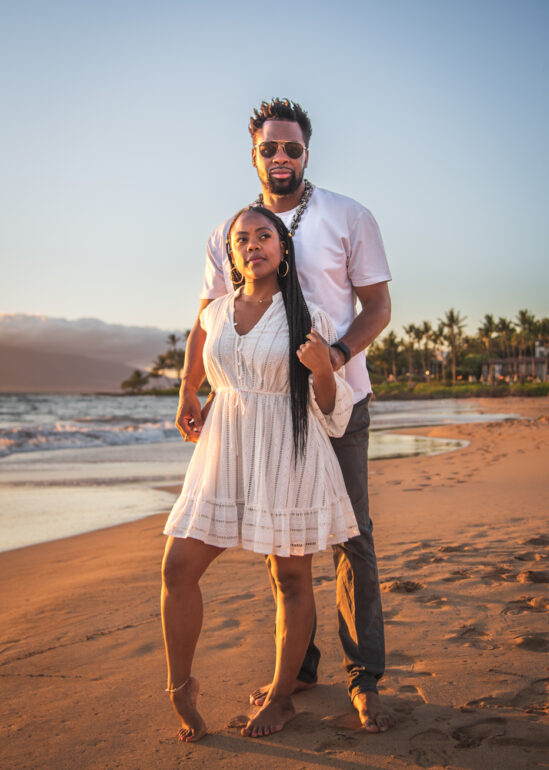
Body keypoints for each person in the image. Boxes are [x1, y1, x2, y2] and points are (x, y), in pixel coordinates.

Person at [176, 99, 394, 732]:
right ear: (254, 154)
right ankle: (298, 671)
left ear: (306, 153)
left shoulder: (349, 216)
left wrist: (336, 355)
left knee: (352, 539)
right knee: (282, 544)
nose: (280, 157)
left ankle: (364, 678)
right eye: (268, 148)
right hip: (260, 411)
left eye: (291, 148)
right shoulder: (233, 229)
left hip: (336, 401)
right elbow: (210, 316)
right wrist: (192, 389)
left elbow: (377, 306)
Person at [162, 205, 360, 741]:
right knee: (178, 567)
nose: (253, 245)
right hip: (225, 451)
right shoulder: (215, 313)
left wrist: (324, 369)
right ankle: (181, 687)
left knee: (290, 577)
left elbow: (329, 410)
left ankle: (280, 697)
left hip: (289, 449)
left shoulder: (308, 314)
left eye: (264, 235)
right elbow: (200, 355)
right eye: (242, 238)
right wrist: (190, 393)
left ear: (282, 248)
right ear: (231, 253)